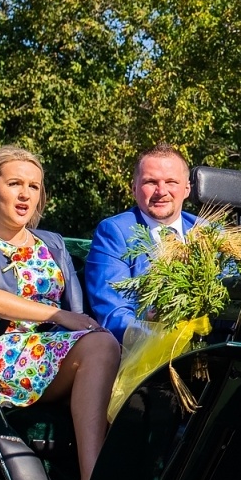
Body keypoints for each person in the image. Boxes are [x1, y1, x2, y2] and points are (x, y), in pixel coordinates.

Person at [0, 145, 119, 480]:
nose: (25, 194)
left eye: (34, 186)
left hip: (57, 349)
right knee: (102, 346)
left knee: (123, 353)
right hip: (4, 353)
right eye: (15, 184)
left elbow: (77, 310)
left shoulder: (52, 243)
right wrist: (56, 315)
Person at [86, 143, 201, 341]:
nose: (161, 191)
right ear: (134, 189)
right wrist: (157, 335)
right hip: (144, 347)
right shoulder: (114, 232)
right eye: (151, 182)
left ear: (187, 188)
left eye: (171, 182)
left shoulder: (209, 232)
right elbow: (114, 313)